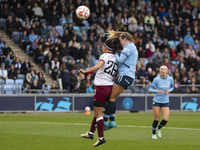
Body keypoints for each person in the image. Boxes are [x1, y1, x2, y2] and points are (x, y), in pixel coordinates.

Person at [80, 39, 118, 147]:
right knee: (97, 112)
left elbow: (97, 66)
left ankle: (101, 137)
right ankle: (91, 133)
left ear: (106, 48)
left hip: (101, 87)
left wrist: (85, 71)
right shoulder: (115, 58)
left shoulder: (104, 56)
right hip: (110, 87)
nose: (101, 47)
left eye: (103, 46)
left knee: (98, 114)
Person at [103, 30, 138, 130]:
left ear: (124, 39)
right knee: (112, 98)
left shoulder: (129, 46)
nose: (121, 44)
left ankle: (105, 122)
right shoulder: (132, 47)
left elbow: (120, 60)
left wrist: (115, 54)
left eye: (120, 41)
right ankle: (112, 121)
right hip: (127, 76)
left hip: (125, 75)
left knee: (111, 98)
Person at [148, 65, 174, 139]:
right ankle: (153, 134)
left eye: (164, 69)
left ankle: (159, 128)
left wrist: (169, 90)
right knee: (156, 118)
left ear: (167, 71)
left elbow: (172, 87)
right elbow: (150, 89)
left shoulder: (170, 79)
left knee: (165, 119)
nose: (163, 71)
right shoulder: (156, 79)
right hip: (156, 100)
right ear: (159, 71)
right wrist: (156, 91)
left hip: (165, 101)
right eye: (161, 69)